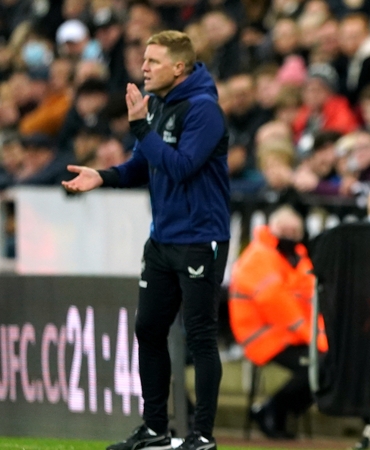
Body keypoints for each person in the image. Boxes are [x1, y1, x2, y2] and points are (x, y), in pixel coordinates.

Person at [61, 30, 230, 450]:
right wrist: (103, 176)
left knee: (200, 336)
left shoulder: (204, 110)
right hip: (162, 240)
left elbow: (182, 166)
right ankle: (156, 429)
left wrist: (140, 128)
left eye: (153, 61)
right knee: (149, 329)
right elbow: (144, 165)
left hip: (199, 238)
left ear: (179, 67)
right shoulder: (157, 105)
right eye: (144, 59)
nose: (144, 67)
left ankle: (203, 436)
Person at [228, 206, 328, 439]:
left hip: (287, 335)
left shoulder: (296, 258)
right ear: (270, 228)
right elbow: (280, 307)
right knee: (319, 365)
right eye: (284, 230)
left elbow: (311, 301)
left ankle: (276, 411)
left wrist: (321, 336)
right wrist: (318, 339)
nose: (288, 235)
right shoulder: (260, 256)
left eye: (294, 231)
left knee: (328, 364)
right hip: (263, 336)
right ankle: (272, 410)